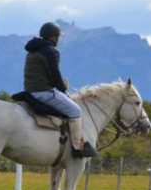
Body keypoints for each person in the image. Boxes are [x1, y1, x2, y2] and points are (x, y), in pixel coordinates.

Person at [23, 21, 97, 157]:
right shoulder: (51, 51)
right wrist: (63, 89)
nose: (58, 39)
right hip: (44, 92)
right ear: (51, 37)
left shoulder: (32, 50)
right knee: (75, 110)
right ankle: (77, 147)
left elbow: (44, 74)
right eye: (57, 36)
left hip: (30, 90)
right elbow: (55, 74)